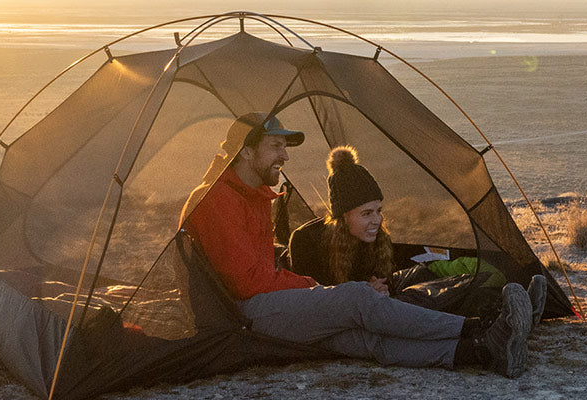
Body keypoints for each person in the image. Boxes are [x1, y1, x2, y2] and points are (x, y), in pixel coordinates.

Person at [183, 112, 532, 377]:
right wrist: (311, 286)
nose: (285, 157)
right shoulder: (216, 199)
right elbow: (247, 282)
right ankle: (479, 327)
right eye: (276, 146)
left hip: (261, 305)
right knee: (356, 298)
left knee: (364, 339)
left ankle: (482, 352)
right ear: (245, 152)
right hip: (245, 312)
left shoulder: (250, 194)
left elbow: (257, 271)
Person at [286, 146, 548, 320]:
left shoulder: (377, 239)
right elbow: (312, 306)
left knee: (441, 278)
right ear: (343, 217)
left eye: (378, 210)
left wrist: (380, 288)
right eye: (366, 213)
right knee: (416, 300)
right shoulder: (306, 242)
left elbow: (387, 282)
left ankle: (516, 307)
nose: (377, 220)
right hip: (357, 312)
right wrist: (361, 292)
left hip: (385, 296)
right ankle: (505, 316)